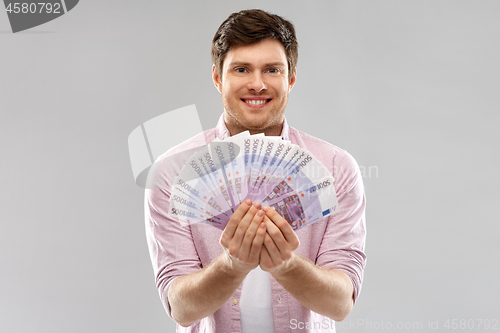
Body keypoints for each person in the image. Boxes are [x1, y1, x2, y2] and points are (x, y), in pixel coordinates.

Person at [145, 9, 366, 333]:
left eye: (272, 69)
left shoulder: (336, 168)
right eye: (241, 69)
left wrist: (286, 264)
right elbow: (180, 307)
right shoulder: (172, 173)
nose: (257, 84)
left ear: (290, 78)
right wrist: (232, 265)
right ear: (218, 78)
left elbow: (340, 303)